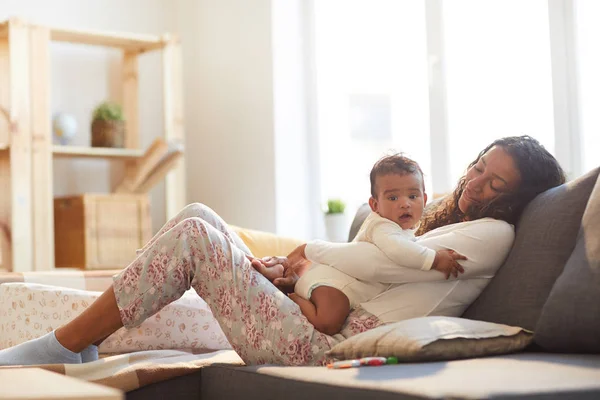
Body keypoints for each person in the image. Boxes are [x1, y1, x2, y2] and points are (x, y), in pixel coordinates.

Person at [0, 135, 566, 367]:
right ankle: (85, 339)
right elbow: (376, 265)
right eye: (479, 168)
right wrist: (291, 276)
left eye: (495, 184)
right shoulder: (441, 223)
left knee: (197, 238)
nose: (475, 184)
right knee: (199, 216)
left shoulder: (494, 236)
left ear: (517, 197)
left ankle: (65, 346)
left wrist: (301, 258)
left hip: (328, 343)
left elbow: (376, 263)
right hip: (317, 316)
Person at [289, 154, 466, 335]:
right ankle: (294, 298)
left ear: (425, 199)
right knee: (328, 323)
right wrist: (434, 259)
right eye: (393, 198)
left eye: (413, 196)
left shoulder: (410, 228)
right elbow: (398, 250)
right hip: (332, 282)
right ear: (374, 205)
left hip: (349, 289)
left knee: (335, 317)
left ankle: (299, 291)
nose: (405, 204)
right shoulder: (381, 226)